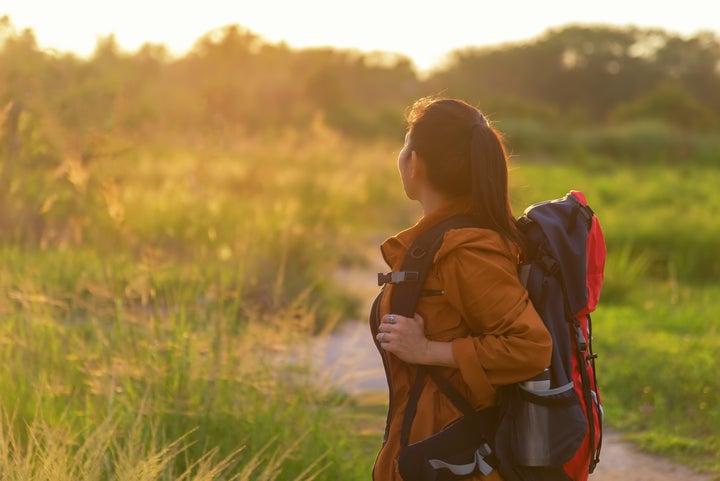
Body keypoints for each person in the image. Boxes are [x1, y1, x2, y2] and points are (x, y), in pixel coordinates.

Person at [371, 97, 553, 481]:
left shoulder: (466, 250)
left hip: (456, 458)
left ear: (414, 163)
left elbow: (531, 347)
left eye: (404, 146)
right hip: (434, 449)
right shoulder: (444, 240)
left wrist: (428, 350)